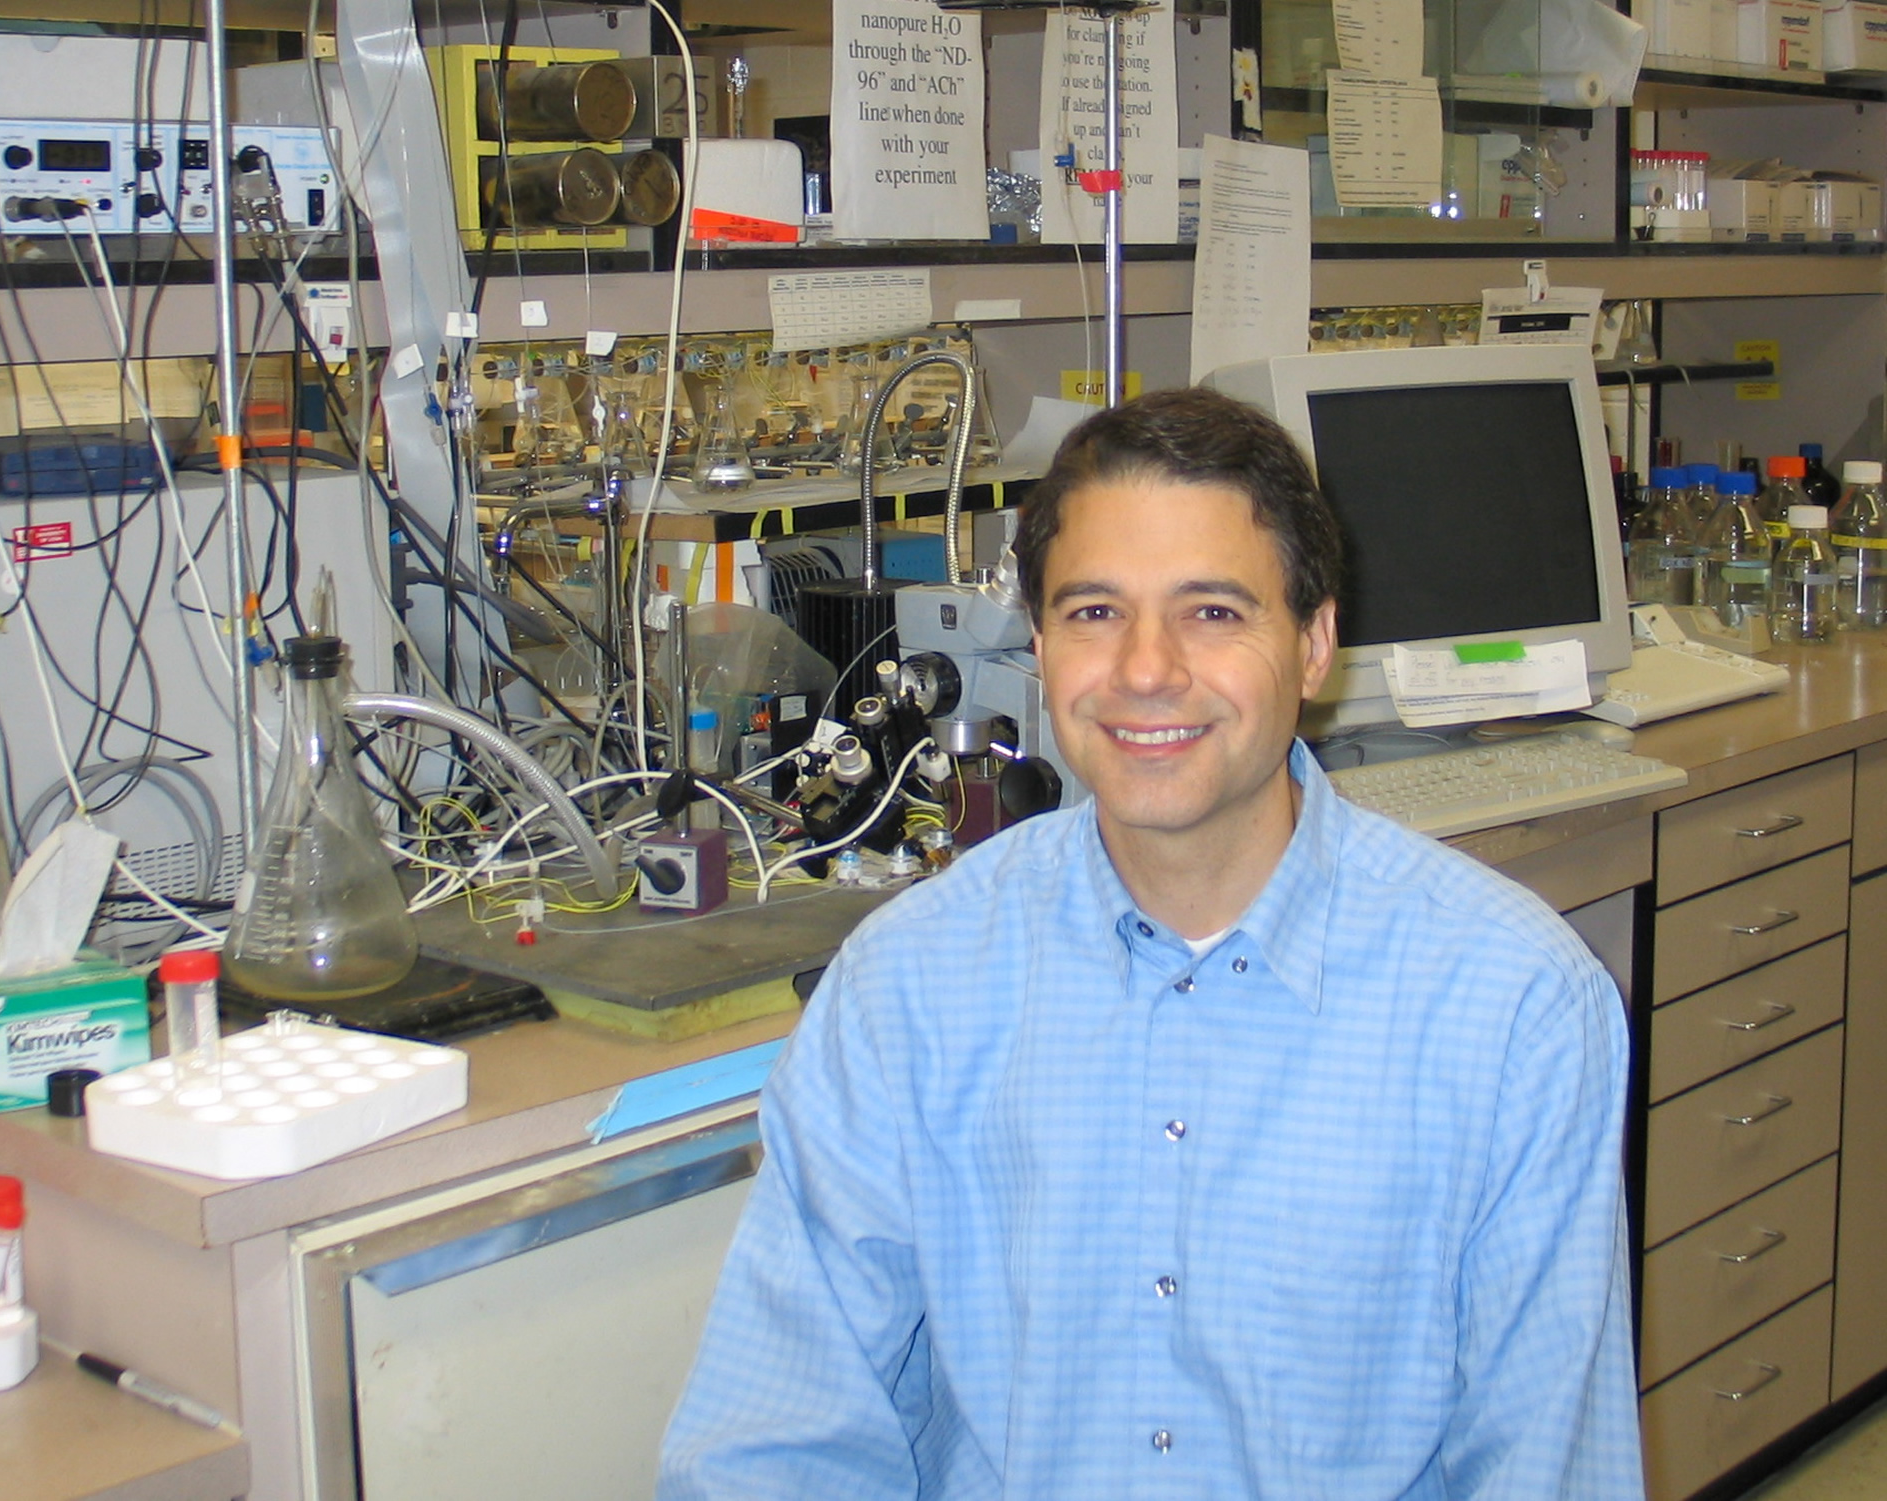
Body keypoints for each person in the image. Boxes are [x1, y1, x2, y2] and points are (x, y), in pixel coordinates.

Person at [657, 387, 1643, 1499]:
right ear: (1035, 646)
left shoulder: (1510, 1008)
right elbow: (777, 1434)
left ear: (1313, 642)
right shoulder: (908, 989)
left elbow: (1544, 1466)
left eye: (1212, 612)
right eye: (1092, 613)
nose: (1143, 670)